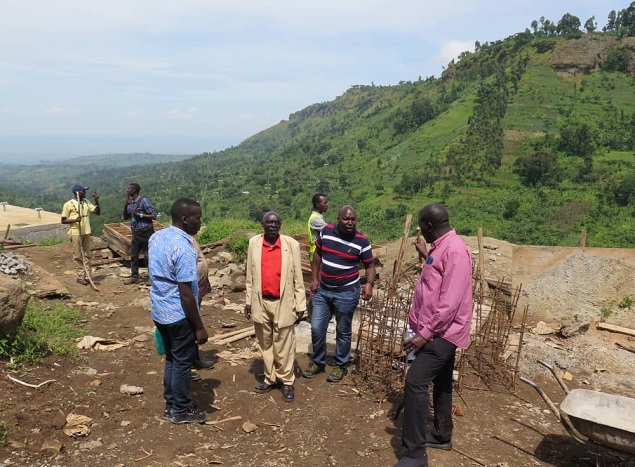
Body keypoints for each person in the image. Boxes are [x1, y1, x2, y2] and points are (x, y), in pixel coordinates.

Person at [396, 203, 473, 467]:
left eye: (423, 229)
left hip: (442, 333)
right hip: (435, 329)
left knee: (415, 382)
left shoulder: (455, 252)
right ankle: (441, 434)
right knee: (441, 382)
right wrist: (425, 253)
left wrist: (424, 334)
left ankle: (415, 454)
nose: (423, 233)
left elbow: (449, 303)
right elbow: (436, 275)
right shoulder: (441, 248)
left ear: (430, 226)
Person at [149, 198, 208, 424]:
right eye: (197, 218)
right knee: (182, 362)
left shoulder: (158, 237)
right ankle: (181, 409)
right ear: (185, 219)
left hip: (160, 310)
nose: (199, 222)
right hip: (178, 313)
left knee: (172, 358)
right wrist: (199, 327)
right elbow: (185, 293)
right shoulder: (184, 248)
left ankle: (171, 404)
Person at [303, 205, 376, 383]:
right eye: (346, 219)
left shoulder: (361, 241)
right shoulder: (326, 232)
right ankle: (318, 362)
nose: (350, 222)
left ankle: (340, 366)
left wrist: (369, 284)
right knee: (316, 327)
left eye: (353, 219)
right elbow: (318, 254)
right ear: (338, 219)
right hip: (324, 290)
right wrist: (314, 279)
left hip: (347, 292)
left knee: (343, 330)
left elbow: (370, 266)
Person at [245, 211, 306, 402]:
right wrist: (248, 301)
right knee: (265, 343)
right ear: (262, 223)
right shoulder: (254, 243)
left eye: (276, 222)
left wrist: (300, 302)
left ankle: (287, 381)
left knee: (284, 344)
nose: (272, 225)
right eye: (269, 222)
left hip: (284, 302)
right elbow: (250, 276)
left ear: (280, 225)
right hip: (261, 301)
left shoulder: (291, 245)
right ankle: (270, 378)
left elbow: (298, 276)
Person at [60, 184, 101, 286]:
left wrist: (96, 201)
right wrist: (75, 220)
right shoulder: (68, 204)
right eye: (83, 191)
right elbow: (63, 220)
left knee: (87, 255)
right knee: (78, 255)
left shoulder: (86, 202)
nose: (85, 193)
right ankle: (80, 277)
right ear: (77, 193)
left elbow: (97, 212)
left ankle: (88, 276)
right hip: (75, 232)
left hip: (85, 232)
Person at [190, 236, 214, 381]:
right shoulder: (180, 240)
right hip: (190, 292)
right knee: (190, 327)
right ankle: (187, 367)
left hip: (197, 289)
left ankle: (194, 360)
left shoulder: (188, 237)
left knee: (193, 324)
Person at [123, 183, 158, 285]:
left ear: (135, 190)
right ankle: (134, 276)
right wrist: (125, 206)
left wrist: (139, 214)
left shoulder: (143, 201)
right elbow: (125, 217)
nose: (127, 190)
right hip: (135, 232)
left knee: (148, 255)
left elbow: (154, 215)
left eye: (129, 189)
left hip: (146, 232)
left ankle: (152, 277)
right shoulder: (130, 203)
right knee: (134, 255)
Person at [307, 194, 328, 263]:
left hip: (318, 251)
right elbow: (329, 230)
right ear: (317, 205)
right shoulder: (315, 219)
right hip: (316, 252)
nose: (327, 205)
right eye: (325, 203)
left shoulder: (317, 217)